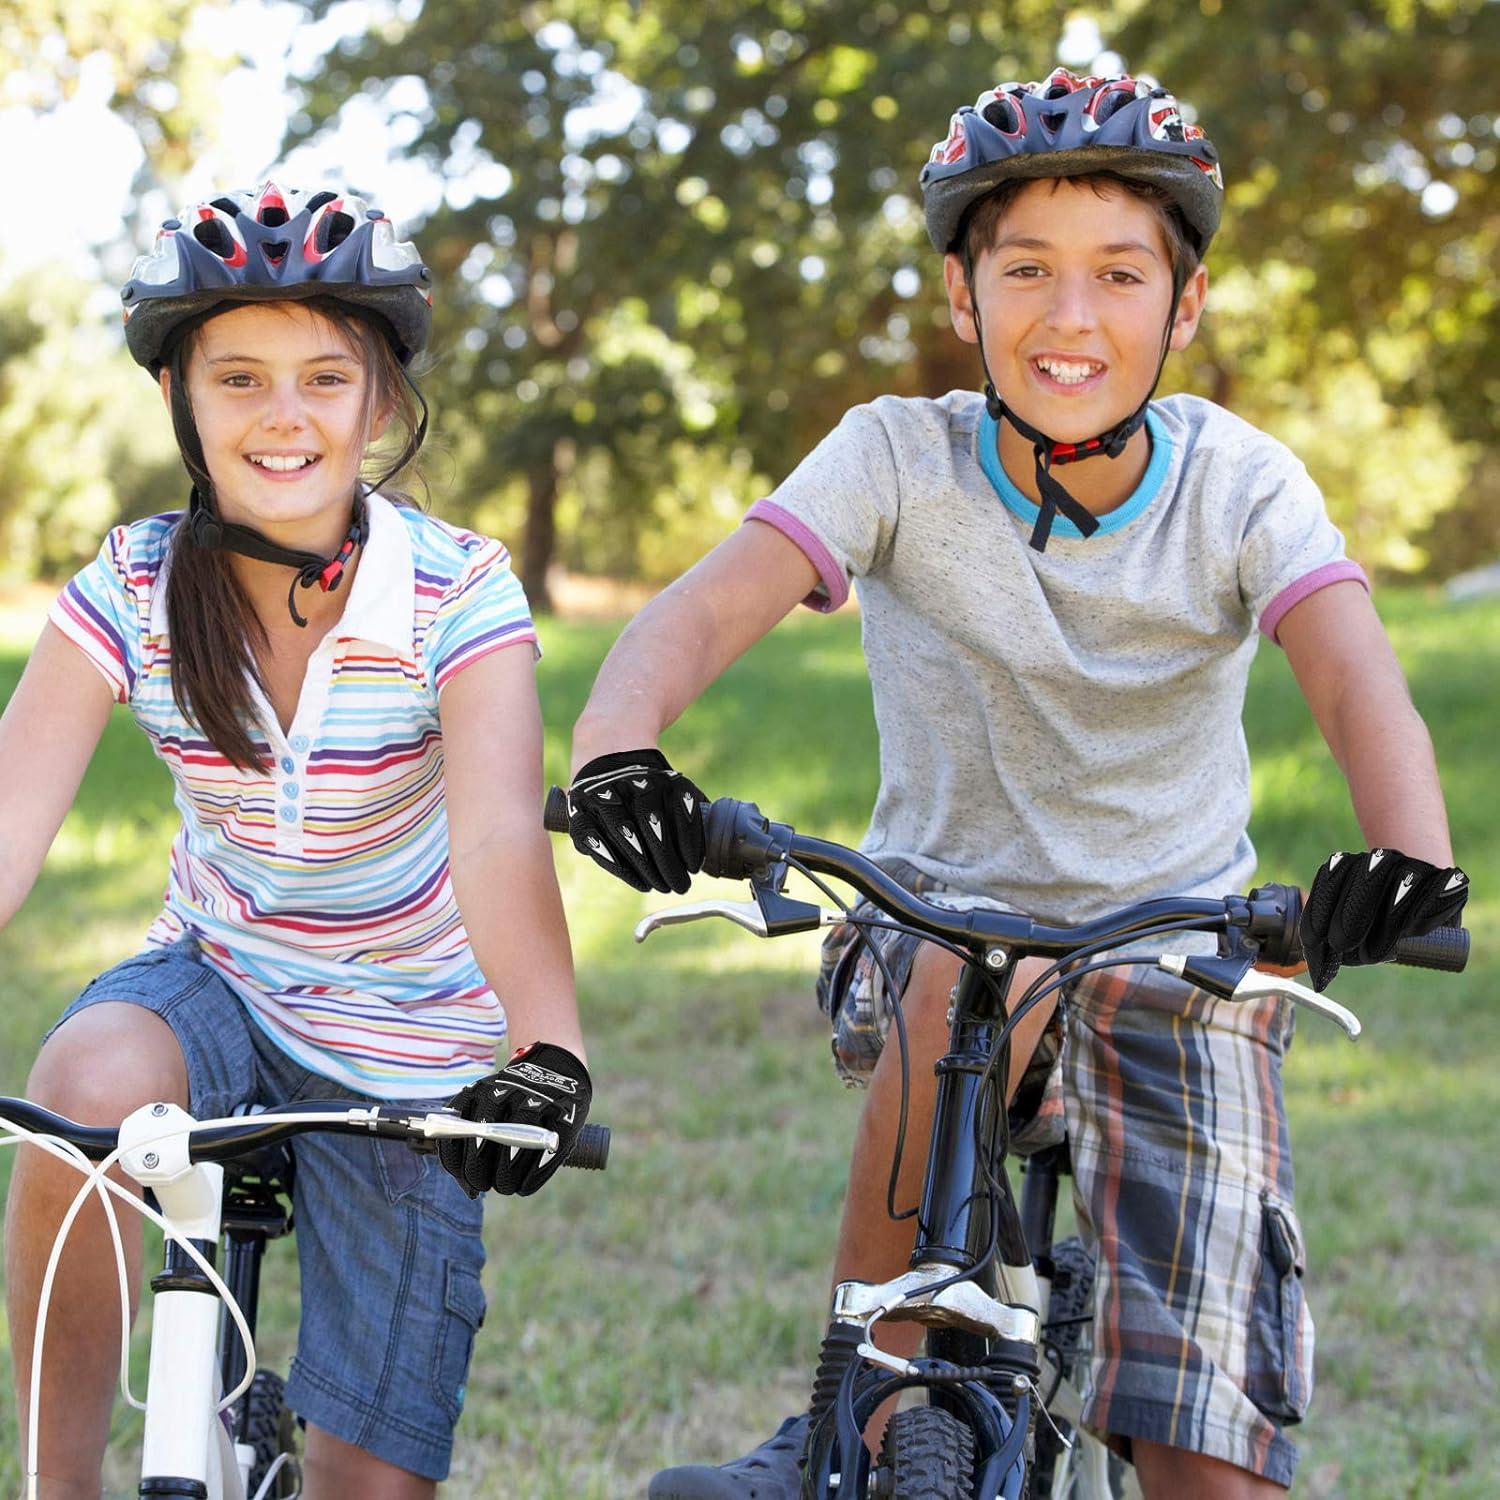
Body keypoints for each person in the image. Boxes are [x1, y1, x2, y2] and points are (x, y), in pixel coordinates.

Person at [560, 71, 1468, 1499]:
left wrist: (1409, 862)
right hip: (922, 926)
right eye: (1026, 271)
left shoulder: (1244, 486)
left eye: (1119, 276)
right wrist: (616, 748)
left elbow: (1353, 675)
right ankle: (849, 1409)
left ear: (1186, 309)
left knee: (1203, 1450)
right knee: (955, 968)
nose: (1070, 317)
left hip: (1183, 959)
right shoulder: (894, 458)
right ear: (960, 295)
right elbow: (694, 614)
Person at [2, 182, 591, 1496]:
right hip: (216, 979)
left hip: (408, 1050)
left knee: (364, 1484)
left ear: (380, 402)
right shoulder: (134, 584)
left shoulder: (458, 592)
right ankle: (60, 1484)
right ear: (184, 402)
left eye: (326, 377)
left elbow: (498, 837)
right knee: (78, 1095)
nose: (284, 414)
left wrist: (548, 1047)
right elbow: (8, 816)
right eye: (241, 378)